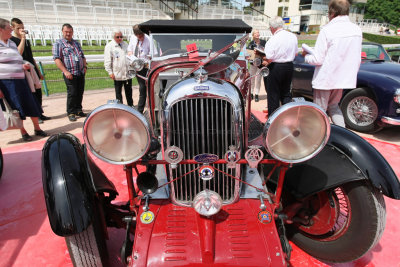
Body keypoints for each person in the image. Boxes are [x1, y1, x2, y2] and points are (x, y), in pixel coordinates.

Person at [303, 0, 362, 127]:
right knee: (334, 107)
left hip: (325, 78)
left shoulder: (327, 30)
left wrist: (306, 56)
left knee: (319, 111)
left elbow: (318, 59)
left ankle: (318, 140)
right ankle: (343, 136)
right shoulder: (356, 30)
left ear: (332, 13)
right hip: (342, 78)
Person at [0, 18, 47, 141]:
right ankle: (23, 131)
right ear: (1, 30)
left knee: (30, 103)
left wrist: (21, 66)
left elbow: (18, 56)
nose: (11, 29)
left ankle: (37, 128)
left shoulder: (10, 43)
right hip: (6, 83)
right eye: (8, 27)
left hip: (21, 80)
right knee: (16, 107)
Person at [10, 18, 51, 124]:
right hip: (22, 71)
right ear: (13, 28)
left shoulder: (27, 41)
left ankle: (40, 113)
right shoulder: (11, 41)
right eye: (19, 28)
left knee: (38, 92)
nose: (21, 30)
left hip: (32, 68)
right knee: (31, 94)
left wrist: (38, 71)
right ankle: (36, 116)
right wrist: (22, 39)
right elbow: (18, 53)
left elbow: (31, 57)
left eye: (22, 27)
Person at [262, 16, 298, 115]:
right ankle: (288, 116)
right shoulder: (292, 36)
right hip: (289, 66)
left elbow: (269, 57)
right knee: (286, 94)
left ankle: (273, 119)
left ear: (272, 28)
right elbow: (296, 54)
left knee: (273, 95)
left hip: (276, 67)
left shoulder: (273, 39)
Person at [52, 23, 87, 122]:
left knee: (80, 92)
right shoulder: (58, 43)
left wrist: (84, 67)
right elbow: (57, 59)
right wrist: (65, 71)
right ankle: (71, 111)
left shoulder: (76, 43)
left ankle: (78, 109)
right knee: (72, 93)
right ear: (62, 32)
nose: (68, 34)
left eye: (70, 32)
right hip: (69, 73)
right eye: (66, 32)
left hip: (80, 72)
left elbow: (83, 56)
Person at [104, 29, 133, 106]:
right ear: (114, 37)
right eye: (118, 37)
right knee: (118, 92)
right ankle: (120, 107)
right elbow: (107, 61)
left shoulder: (125, 44)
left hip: (127, 73)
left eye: (121, 36)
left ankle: (130, 106)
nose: (120, 38)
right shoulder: (109, 46)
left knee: (129, 91)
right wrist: (110, 72)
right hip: (117, 73)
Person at [127, 24, 150, 114]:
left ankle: (144, 109)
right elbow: (129, 50)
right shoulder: (133, 38)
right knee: (142, 88)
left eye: (141, 35)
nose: (140, 37)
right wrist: (131, 56)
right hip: (136, 66)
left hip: (146, 67)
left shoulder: (148, 39)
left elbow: (153, 53)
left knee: (145, 88)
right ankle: (140, 109)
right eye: (138, 36)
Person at [247, 29, 266, 102]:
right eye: (256, 33)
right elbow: (249, 54)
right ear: (253, 35)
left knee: (258, 79)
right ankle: (251, 93)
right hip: (253, 64)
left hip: (260, 64)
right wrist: (249, 57)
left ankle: (257, 94)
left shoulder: (264, 42)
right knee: (252, 79)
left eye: (258, 32)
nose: (258, 34)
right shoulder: (251, 43)